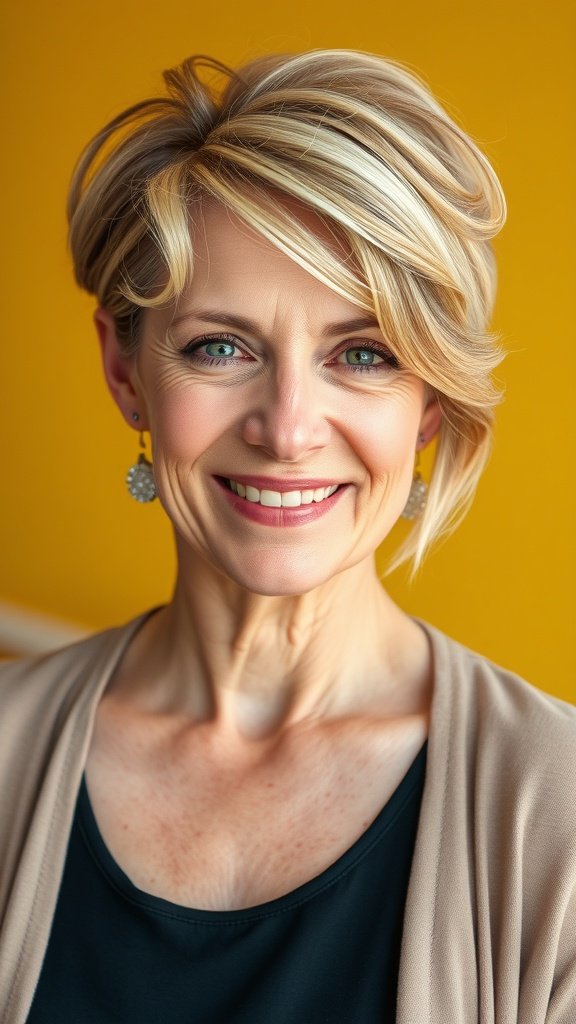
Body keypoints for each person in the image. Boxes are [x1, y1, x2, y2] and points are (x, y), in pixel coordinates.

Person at [0, 49, 574, 1024]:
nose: (288, 427)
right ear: (127, 371)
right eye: (221, 347)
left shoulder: (558, 814)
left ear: (431, 402)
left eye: (364, 354)